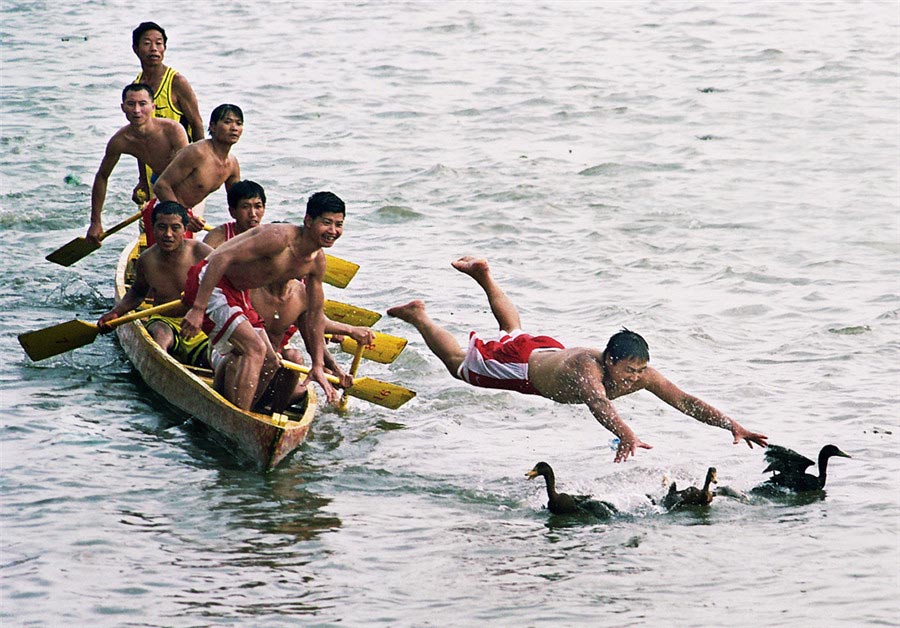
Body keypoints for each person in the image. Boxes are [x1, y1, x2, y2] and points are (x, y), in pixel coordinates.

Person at [387, 257, 769, 463]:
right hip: (523, 366)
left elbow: (684, 400)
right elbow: (598, 403)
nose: (635, 378)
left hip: (543, 351)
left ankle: (484, 274)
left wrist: (731, 425)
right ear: (609, 360)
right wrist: (626, 434)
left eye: (640, 370)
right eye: (628, 370)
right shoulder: (589, 369)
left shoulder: (642, 374)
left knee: (512, 327)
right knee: (459, 365)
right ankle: (419, 315)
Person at [180, 191, 347, 410]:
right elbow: (220, 257)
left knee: (271, 360)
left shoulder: (317, 262)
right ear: (308, 220)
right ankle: (239, 418)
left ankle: (242, 410)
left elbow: (315, 315)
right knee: (255, 349)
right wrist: (198, 308)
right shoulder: (279, 237)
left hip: (238, 295)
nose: (333, 231)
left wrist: (317, 364)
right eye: (327, 223)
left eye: (339, 224)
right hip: (211, 281)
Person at [97, 201, 212, 368]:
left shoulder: (201, 252)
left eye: (175, 228)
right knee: (159, 334)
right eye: (161, 227)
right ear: (152, 228)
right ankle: (163, 366)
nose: (168, 234)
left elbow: (227, 281)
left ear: (185, 229)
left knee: (219, 356)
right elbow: (137, 292)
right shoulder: (146, 260)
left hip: (199, 323)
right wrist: (116, 312)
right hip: (164, 320)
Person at [251, 277, 375, 413]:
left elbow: (313, 332)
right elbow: (318, 324)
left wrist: (336, 369)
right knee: (291, 360)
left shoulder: (302, 291)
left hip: (275, 362)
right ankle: (252, 408)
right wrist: (349, 330)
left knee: (300, 387)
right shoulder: (253, 283)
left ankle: (275, 413)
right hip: (247, 360)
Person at [84, 83, 189, 245]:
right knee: (156, 231)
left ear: (153, 106)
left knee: (180, 230)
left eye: (142, 104)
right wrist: (95, 222)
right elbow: (102, 177)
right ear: (123, 107)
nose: (137, 110)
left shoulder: (173, 130)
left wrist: (185, 210)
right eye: (131, 104)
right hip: (158, 182)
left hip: (187, 183)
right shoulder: (120, 141)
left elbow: (189, 171)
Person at [146, 103, 244, 245]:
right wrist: (184, 216)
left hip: (185, 216)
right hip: (163, 211)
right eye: (227, 122)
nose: (234, 128)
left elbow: (237, 202)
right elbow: (161, 186)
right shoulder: (197, 152)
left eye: (239, 123)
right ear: (212, 126)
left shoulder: (232, 164)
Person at [131, 21, 203, 143]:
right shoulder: (136, 86)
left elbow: (197, 124)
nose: (154, 49)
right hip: (152, 160)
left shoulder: (176, 82)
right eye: (147, 43)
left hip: (181, 159)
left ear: (164, 48)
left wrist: (200, 160)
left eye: (159, 43)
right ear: (136, 49)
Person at [203, 179, 266, 248]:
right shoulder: (218, 238)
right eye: (245, 207)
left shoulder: (269, 236)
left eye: (258, 206)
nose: (253, 214)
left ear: (264, 208)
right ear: (232, 212)